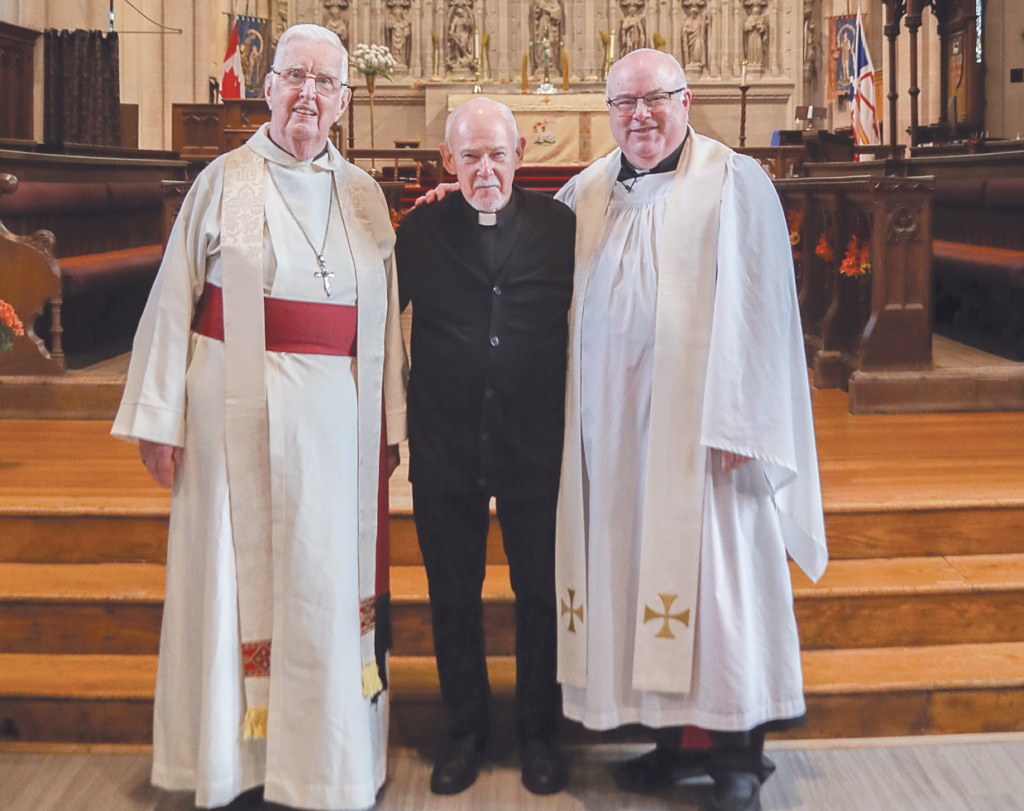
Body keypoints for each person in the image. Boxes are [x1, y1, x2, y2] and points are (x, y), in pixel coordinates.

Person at [111, 24, 407, 810]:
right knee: (229, 581)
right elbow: (186, 296)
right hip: (232, 418)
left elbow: (380, 323)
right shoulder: (232, 183)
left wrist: (391, 420)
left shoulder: (362, 195)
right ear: (267, 87)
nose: (308, 93)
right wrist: (157, 416)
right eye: (294, 76)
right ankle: (235, 763)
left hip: (335, 425)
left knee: (320, 585)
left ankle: (321, 767)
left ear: (343, 100)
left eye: (325, 81)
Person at [552, 49, 827, 811]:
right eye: (624, 103)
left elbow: (765, 307)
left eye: (655, 99)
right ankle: (673, 743)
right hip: (617, 436)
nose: (640, 115)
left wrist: (745, 418)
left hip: (709, 437)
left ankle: (739, 755)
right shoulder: (587, 191)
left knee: (722, 591)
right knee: (648, 580)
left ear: (686, 99)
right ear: (607, 113)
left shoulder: (734, 182)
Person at [395, 97, 575, 797]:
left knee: (538, 594)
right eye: (469, 157)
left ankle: (538, 732)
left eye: (497, 154)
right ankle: (465, 729)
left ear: (520, 154)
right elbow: (380, 318)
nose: (485, 169)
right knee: (453, 597)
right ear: (446, 162)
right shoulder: (420, 230)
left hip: (535, 445)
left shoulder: (561, 226)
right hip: (445, 444)